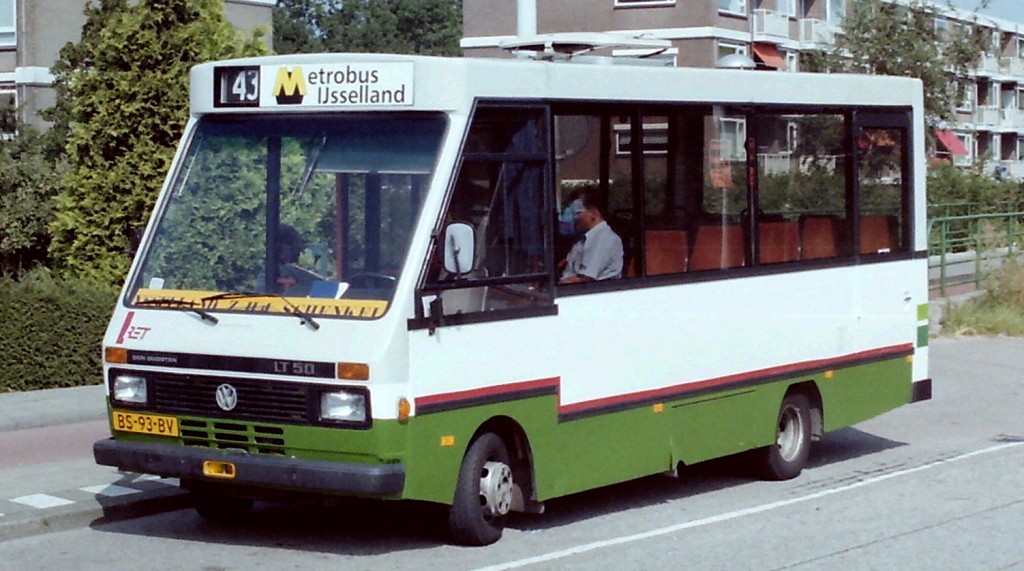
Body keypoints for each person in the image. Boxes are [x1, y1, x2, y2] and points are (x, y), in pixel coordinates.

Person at [558, 190, 623, 284]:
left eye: (577, 213)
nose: (574, 218)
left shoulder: (603, 239)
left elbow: (585, 278)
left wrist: (554, 285)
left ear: (593, 213)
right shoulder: (585, 238)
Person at [255, 224, 322, 296]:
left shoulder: (299, 274)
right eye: (293, 244)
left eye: (300, 243)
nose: (300, 248)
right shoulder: (267, 277)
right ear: (280, 246)